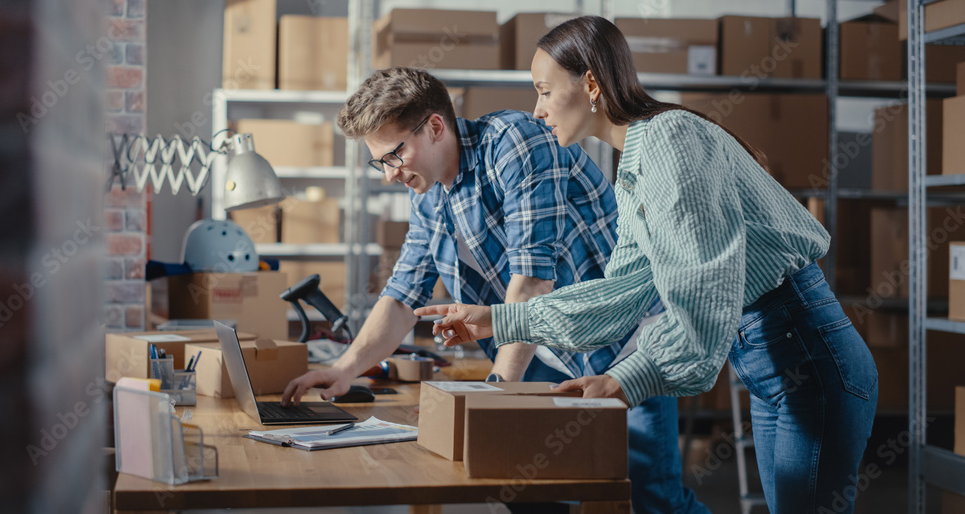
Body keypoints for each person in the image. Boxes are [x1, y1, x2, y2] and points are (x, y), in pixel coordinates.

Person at [419, 16, 878, 514]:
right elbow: (620, 295)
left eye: (544, 91)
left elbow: (702, 304)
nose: (538, 109)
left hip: (807, 351)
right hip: (770, 361)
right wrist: (499, 319)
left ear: (590, 83)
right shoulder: (635, 166)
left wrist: (623, 381)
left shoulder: (670, 140)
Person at [281, 67, 710, 514]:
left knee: (649, 497)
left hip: (622, 344)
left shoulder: (513, 142)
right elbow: (406, 291)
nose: (389, 174)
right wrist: (347, 369)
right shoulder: (428, 193)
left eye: (394, 155)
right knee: (524, 488)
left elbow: (532, 281)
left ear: (434, 127)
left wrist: (489, 399)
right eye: (380, 162)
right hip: (539, 352)